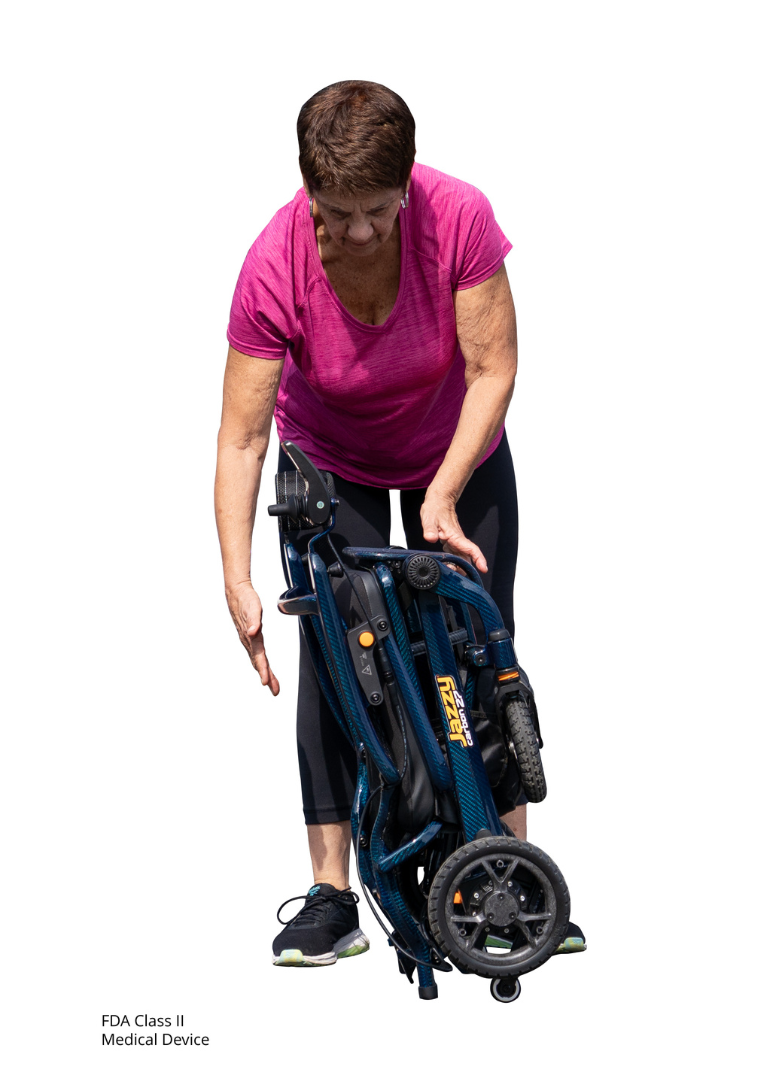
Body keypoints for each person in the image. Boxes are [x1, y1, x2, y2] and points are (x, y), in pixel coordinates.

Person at [215, 80, 584, 967]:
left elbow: (493, 369)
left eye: (378, 210)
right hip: (331, 460)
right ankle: (331, 896)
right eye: (336, 213)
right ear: (309, 191)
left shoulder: (458, 218)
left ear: (408, 185)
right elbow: (243, 435)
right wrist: (236, 579)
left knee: (477, 642)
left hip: (454, 447)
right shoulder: (274, 263)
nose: (360, 232)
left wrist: (443, 494)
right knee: (342, 659)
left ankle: (506, 878)